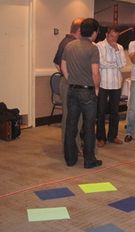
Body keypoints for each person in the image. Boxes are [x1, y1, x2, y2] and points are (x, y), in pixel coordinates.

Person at [61, 18, 102, 168]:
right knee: (89, 127)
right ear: (94, 32)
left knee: (71, 125)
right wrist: (97, 88)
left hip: (72, 90)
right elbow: (95, 73)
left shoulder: (69, 46)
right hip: (87, 92)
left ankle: (70, 159)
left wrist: (69, 79)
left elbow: (63, 65)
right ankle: (89, 160)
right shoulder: (93, 48)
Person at [53, 18, 84, 153]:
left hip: (66, 82)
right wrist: (70, 78)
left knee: (70, 116)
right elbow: (60, 65)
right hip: (70, 84)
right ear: (80, 30)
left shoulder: (64, 42)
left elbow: (56, 63)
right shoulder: (72, 44)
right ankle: (72, 147)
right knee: (72, 117)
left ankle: (69, 145)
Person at [96, 26, 126, 148]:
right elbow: (101, 63)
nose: (114, 39)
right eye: (112, 36)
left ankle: (113, 136)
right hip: (103, 83)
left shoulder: (119, 48)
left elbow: (123, 64)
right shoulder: (99, 46)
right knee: (101, 112)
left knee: (115, 112)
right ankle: (100, 138)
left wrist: (117, 52)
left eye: (116, 37)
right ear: (107, 35)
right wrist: (115, 64)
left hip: (116, 84)